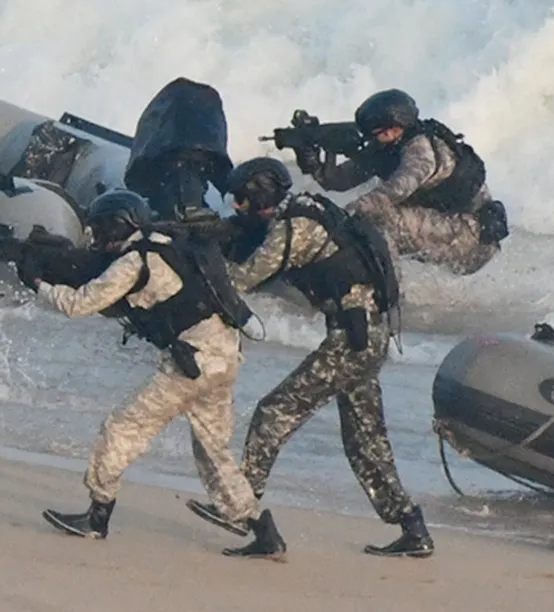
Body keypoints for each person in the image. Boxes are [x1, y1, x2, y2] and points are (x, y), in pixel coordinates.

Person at [187, 158, 434, 558]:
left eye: (243, 199)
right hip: (366, 334)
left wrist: (202, 255)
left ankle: (238, 508)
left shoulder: (294, 227)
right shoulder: (310, 208)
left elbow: (245, 279)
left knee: (273, 414)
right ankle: (412, 526)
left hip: (351, 337)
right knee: (365, 442)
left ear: (261, 196)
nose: (236, 207)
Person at [30, 189, 286, 559]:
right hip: (226, 354)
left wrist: (39, 285)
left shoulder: (135, 261)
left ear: (116, 226)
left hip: (191, 363)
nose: (98, 238)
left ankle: (97, 516)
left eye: (100, 230)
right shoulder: (172, 242)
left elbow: (78, 304)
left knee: (122, 428)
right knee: (213, 451)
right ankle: (263, 531)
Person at [295, 89, 507, 276]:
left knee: (382, 220)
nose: (371, 138)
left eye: (376, 132)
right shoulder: (388, 147)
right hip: (449, 223)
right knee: (372, 214)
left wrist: (348, 212)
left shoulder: (422, 150)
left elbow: (395, 191)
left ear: (393, 129)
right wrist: (313, 157)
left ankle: (387, 294)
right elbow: (338, 180)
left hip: (472, 239)